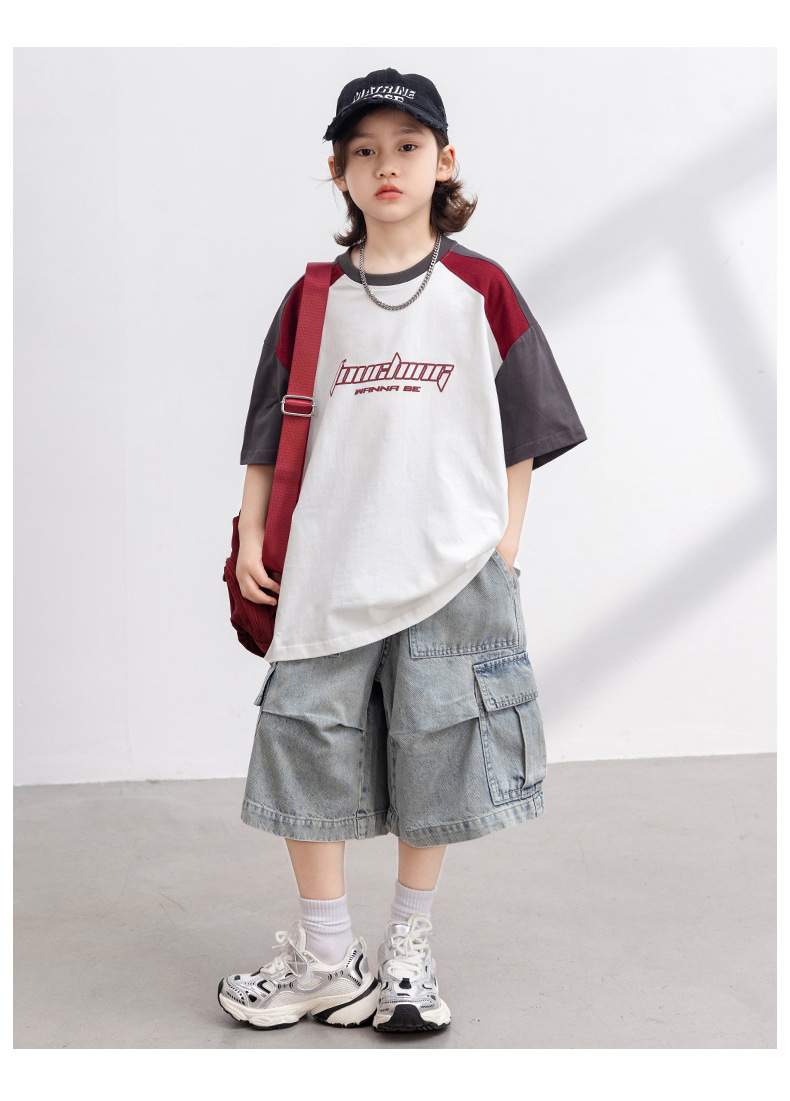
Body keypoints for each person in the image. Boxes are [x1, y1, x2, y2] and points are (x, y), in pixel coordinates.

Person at [218, 67, 587, 1034]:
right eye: (365, 150)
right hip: (328, 568)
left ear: (444, 161)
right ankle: (329, 956)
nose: (388, 165)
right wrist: (252, 529)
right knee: (306, 744)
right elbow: (269, 430)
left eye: (408, 147)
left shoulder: (480, 289)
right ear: (338, 171)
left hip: (453, 572)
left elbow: (523, 425)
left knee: (440, 752)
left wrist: (504, 543)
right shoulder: (312, 301)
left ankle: (410, 953)